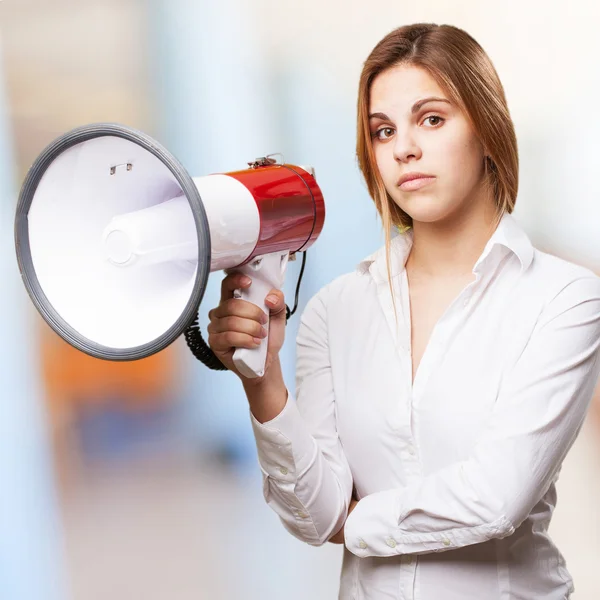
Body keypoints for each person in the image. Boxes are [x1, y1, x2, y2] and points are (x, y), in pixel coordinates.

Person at [206, 23, 600, 600]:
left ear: (488, 130)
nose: (404, 147)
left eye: (432, 119)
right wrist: (263, 383)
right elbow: (315, 517)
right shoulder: (335, 309)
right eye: (383, 130)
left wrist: (357, 522)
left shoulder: (564, 300)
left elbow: (498, 496)